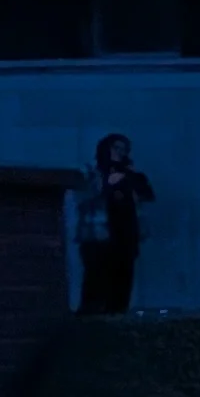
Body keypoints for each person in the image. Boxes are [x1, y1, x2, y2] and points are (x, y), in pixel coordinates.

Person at [76, 133, 156, 313]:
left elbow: (147, 195)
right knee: (96, 282)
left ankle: (117, 315)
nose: (119, 153)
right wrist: (108, 183)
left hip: (127, 234)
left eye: (123, 149)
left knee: (123, 281)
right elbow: (83, 194)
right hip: (99, 236)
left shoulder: (129, 172)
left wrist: (133, 178)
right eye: (116, 148)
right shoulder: (91, 170)